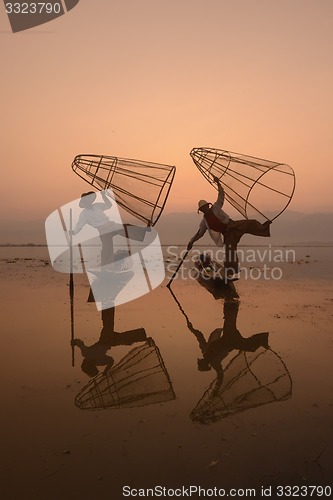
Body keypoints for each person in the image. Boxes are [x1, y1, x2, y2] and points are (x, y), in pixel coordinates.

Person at [187, 176, 271, 276]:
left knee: (251, 223)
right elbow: (199, 233)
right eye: (202, 209)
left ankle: (264, 228)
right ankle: (230, 273)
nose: (205, 209)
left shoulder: (215, 208)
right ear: (201, 211)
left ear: (208, 206)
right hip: (227, 233)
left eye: (205, 207)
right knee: (229, 253)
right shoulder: (204, 222)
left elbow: (221, 196)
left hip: (233, 225)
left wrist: (218, 184)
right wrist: (191, 242)